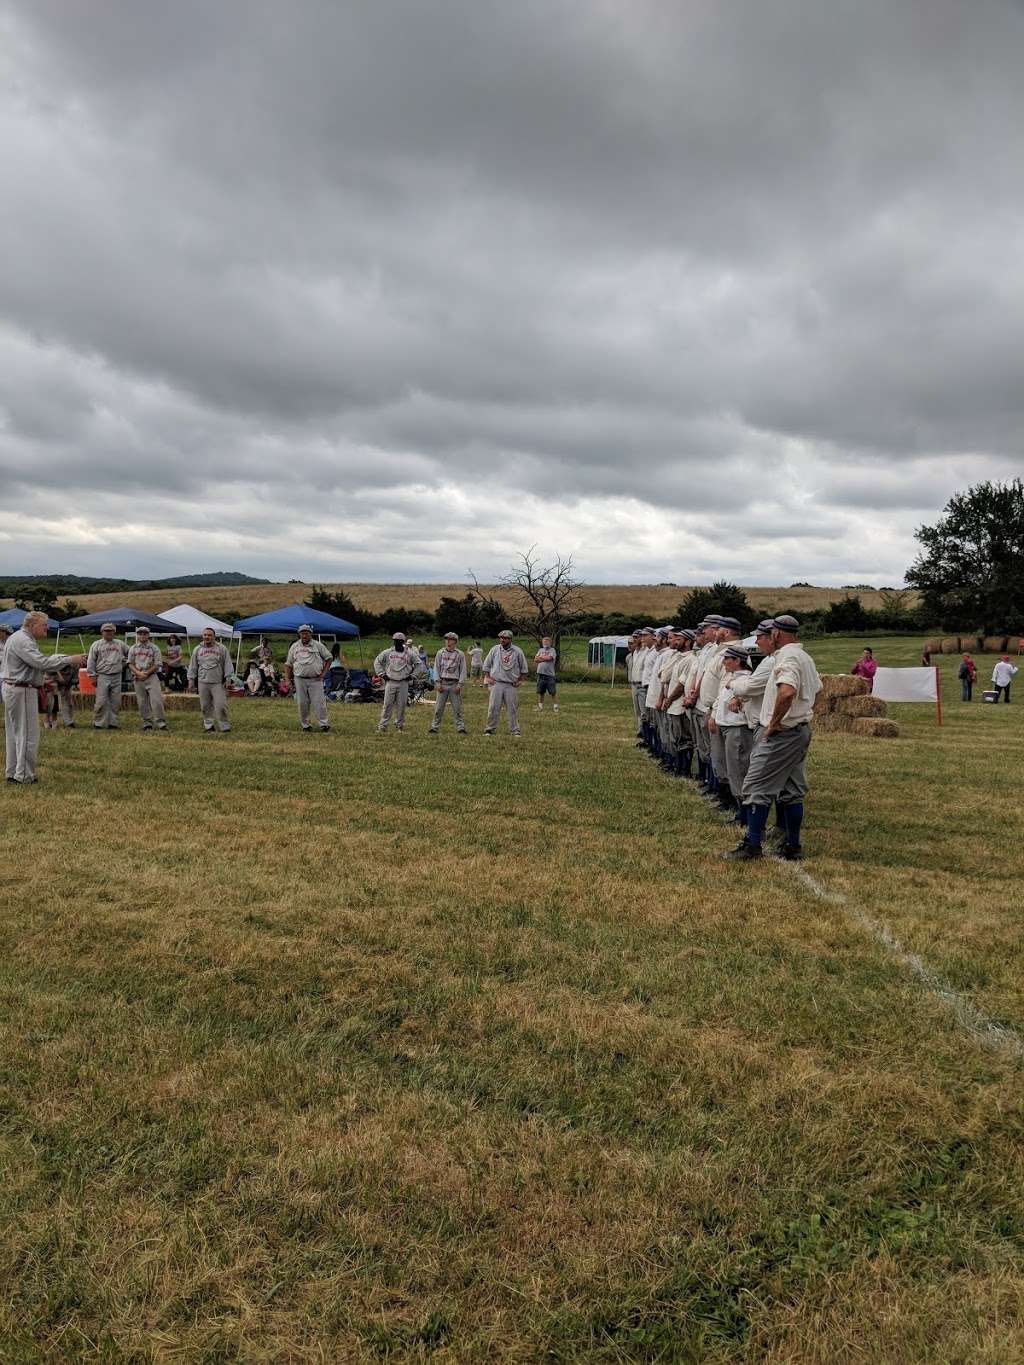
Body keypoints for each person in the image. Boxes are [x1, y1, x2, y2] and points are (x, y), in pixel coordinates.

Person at [729, 615, 821, 862]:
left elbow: (787, 691)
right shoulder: (805, 657)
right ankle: (792, 846)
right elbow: (818, 690)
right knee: (792, 789)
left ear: (777, 634)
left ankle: (753, 844)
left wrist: (774, 724)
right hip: (799, 730)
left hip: (783, 733)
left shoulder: (788, 658)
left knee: (756, 785)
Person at [2, 612, 85, 783]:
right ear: (32, 625)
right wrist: (70, 659)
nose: (47, 627)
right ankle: (24, 775)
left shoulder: (17, 637)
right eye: (44, 624)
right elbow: (42, 663)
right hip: (22, 689)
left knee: (15, 733)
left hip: (14, 687)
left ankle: (13, 772)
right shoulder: (24, 640)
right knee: (28, 734)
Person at [374, 631, 427, 732]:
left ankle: (399, 726)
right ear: (393, 641)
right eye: (395, 641)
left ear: (403, 641)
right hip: (390, 681)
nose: (397, 643)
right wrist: (382, 674)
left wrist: (412, 676)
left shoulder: (410, 653)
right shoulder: (388, 652)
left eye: (399, 641)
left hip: (403, 682)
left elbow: (420, 664)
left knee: (401, 705)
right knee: (387, 705)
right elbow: (377, 661)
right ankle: (382, 726)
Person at [285, 624, 332, 731]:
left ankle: (324, 724)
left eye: (306, 633)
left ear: (310, 634)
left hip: (316, 679)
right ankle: (306, 725)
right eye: (302, 633)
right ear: (299, 634)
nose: (304, 635)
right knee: (302, 703)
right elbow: (288, 664)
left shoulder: (318, 645)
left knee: (319, 702)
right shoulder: (294, 646)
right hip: (299, 679)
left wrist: (323, 673)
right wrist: (287, 679)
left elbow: (329, 658)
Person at [482, 629, 529, 736]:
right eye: (501, 638)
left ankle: (515, 730)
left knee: (512, 708)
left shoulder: (517, 651)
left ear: (510, 639)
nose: (502, 640)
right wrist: (487, 677)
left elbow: (524, 669)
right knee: (493, 707)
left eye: (505, 638)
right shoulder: (494, 649)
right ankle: (490, 729)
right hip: (496, 683)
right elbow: (486, 665)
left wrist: (520, 680)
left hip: (510, 684)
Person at [188, 626, 233, 732]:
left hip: (217, 682)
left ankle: (224, 726)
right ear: (202, 636)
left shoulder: (221, 648)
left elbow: (227, 664)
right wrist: (191, 680)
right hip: (202, 682)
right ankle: (209, 726)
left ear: (214, 637)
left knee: (221, 705)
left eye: (209, 635)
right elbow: (193, 666)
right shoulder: (197, 649)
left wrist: (228, 678)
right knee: (205, 706)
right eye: (205, 635)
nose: (207, 637)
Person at [86, 622, 128, 729]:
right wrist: (92, 675)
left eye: (111, 631)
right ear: (102, 632)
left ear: (114, 632)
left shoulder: (120, 644)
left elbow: (131, 653)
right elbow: (91, 661)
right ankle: (98, 723)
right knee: (101, 701)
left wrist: (125, 663)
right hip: (102, 675)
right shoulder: (96, 644)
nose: (108, 633)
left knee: (116, 701)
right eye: (106, 631)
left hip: (117, 675)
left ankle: (113, 723)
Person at [127, 625, 168, 731]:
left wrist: (146, 673)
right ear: (137, 635)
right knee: (142, 701)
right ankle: (147, 723)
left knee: (157, 700)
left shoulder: (154, 648)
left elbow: (158, 663)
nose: (142, 635)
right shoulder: (133, 648)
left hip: (152, 676)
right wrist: (138, 673)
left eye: (144, 633)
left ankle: (161, 722)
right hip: (138, 677)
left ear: (148, 635)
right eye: (140, 633)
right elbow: (130, 663)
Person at [430, 631, 468, 733]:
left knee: (457, 708)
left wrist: (460, 684)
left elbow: (463, 670)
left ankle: (460, 727)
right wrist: (437, 683)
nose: (448, 641)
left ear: (455, 641)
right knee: (438, 708)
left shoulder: (460, 654)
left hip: (454, 684)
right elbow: (436, 668)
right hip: (443, 683)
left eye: (450, 639)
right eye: (446, 639)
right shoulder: (440, 653)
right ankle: (434, 727)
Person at [44, 662, 78, 729]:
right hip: (50, 691)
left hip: (56, 691)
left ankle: (56, 724)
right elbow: (46, 680)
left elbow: (63, 680)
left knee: (55, 709)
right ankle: (47, 723)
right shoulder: (49, 671)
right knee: (49, 708)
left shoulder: (73, 667)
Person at [534, 637, 559, 711]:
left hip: (549, 675)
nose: (545, 643)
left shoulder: (552, 650)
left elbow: (550, 658)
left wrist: (540, 658)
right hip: (540, 674)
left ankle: (556, 707)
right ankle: (540, 707)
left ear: (550, 643)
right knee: (541, 692)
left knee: (552, 692)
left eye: (547, 642)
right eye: (544, 642)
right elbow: (535, 659)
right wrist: (543, 658)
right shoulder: (540, 650)